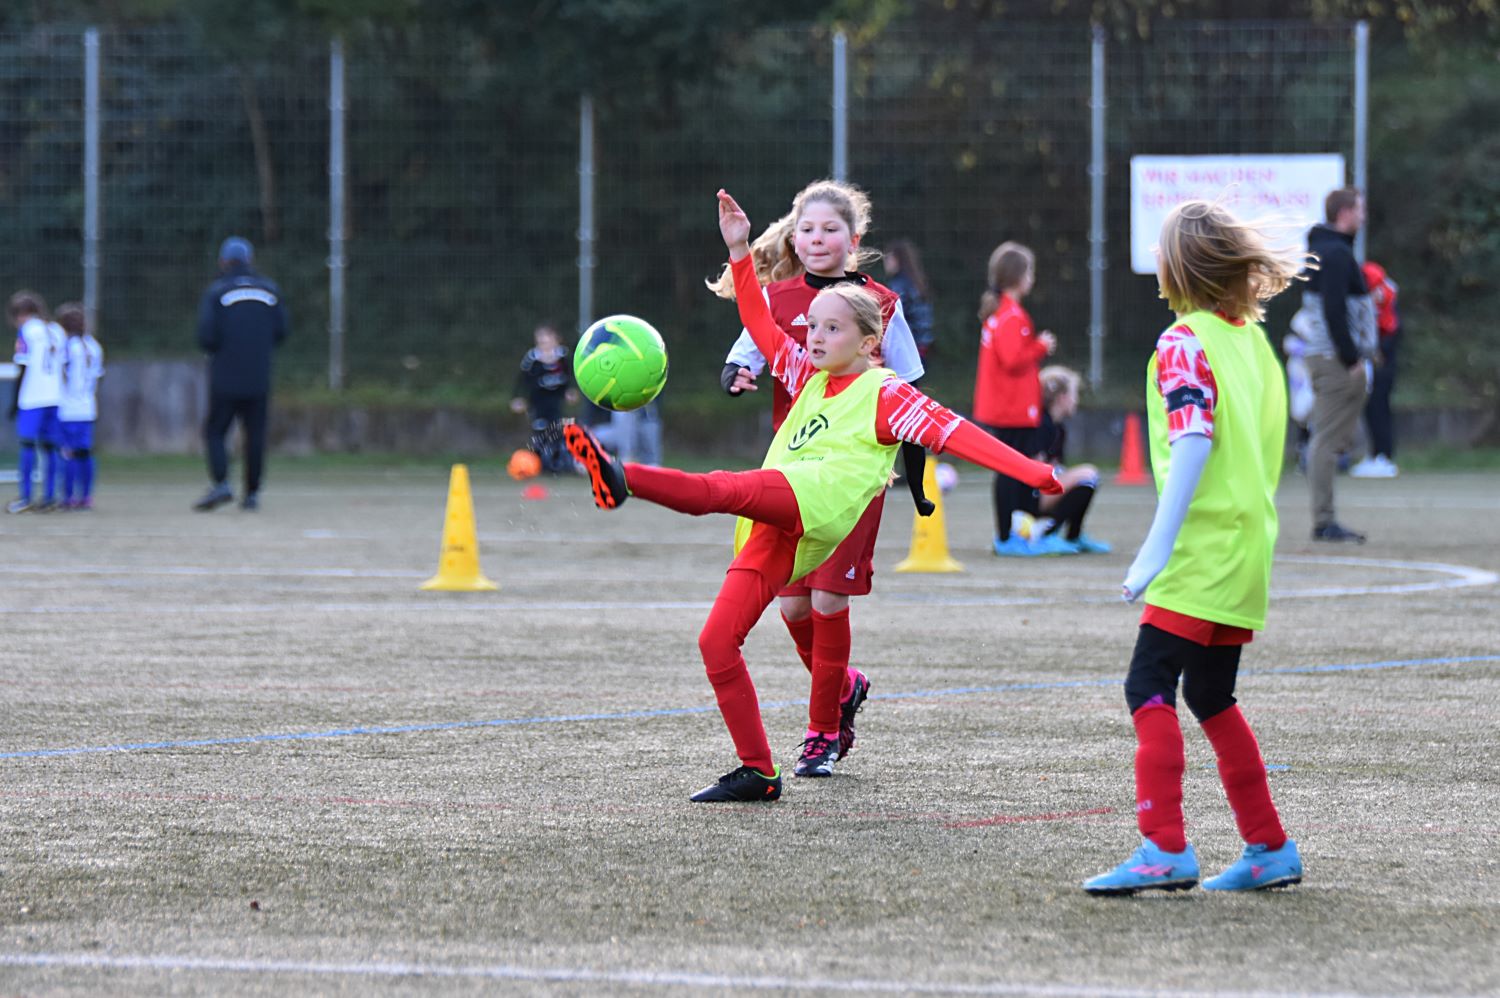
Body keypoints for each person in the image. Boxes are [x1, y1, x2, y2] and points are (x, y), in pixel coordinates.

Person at [563, 189, 1060, 803]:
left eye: (831, 328)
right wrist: (739, 248)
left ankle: (622, 478)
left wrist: (1033, 472)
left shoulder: (887, 392)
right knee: (716, 641)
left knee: (725, 488)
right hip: (783, 520)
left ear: (867, 341)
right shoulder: (806, 374)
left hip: (818, 504)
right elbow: (757, 320)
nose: (814, 336)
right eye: (813, 326)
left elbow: (958, 433)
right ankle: (758, 771)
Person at [1083, 198, 1304, 896]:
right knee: (1210, 692)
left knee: (1147, 684)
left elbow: (1193, 441)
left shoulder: (1183, 342)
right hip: (1247, 547)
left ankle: (1164, 847)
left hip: (1200, 550)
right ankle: (1269, 846)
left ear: (1177, 266)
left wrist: (1155, 548)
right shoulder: (1253, 343)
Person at [708, 179, 930, 777]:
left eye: (831, 229)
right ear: (794, 237)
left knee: (830, 597)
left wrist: (914, 473)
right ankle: (844, 687)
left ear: (853, 240)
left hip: (854, 475)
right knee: (793, 606)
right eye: (807, 229)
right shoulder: (777, 298)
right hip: (791, 473)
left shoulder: (881, 303)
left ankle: (822, 734)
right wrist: (736, 376)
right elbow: (745, 351)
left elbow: (910, 387)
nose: (817, 238)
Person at [1291, 188, 1376, 542]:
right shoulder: (1336, 253)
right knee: (1325, 440)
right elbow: (1334, 309)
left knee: (1329, 437)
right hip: (1334, 359)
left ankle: (1325, 519)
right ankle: (1324, 522)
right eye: (1360, 209)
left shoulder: (1325, 249)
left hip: (1329, 357)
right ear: (1344, 213)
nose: (1363, 216)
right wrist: (1351, 356)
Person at [972, 242, 1058, 555]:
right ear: (1018, 276)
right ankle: (1008, 536)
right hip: (1012, 408)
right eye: (1029, 271)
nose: (1032, 278)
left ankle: (1017, 534)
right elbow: (1012, 359)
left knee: (1016, 470)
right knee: (1012, 471)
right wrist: (1040, 346)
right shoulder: (1011, 316)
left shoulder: (1001, 312)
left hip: (1007, 406)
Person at [193, 236, 289, 512]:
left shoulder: (217, 292)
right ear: (250, 260)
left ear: (224, 261)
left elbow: (206, 337)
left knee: (215, 431)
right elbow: (282, 331)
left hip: (225, 377)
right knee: (255, 435)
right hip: (259, 376)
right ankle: (252, 493)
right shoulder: (270, 290)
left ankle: (221, 482)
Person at [1023, 365, 1110, 554]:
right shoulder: (1041, 425)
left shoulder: (1059, 428)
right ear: (1061, 397)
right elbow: (1034, 469)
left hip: (1043, 492)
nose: (1076, 400)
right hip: (1030, 497)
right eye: (1074, 394)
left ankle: (1074, 535)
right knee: (1088, 474)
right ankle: (1046, 534)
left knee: (1087, 478)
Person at [7, 290, 64, 514]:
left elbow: (23, 365)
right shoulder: (56, 330)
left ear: (21, 313)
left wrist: (14, 400)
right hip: (55, 397)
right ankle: (50, 497)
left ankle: (26, 497)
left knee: (28, 447)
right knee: (50, 448)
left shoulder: (28, 330)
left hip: (32, 398)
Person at [1349, 260, 1400, 478]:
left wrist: (1379, 352)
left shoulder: (1382, 301)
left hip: (1382, 363)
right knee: (1370, 408)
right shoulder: (1384, 295)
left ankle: (1383, 456)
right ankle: (1375, 454)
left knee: (1379, 408)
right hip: (1373, 359)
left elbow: (1391, 330)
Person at [54, 302, 104, 510]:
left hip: (66, 409)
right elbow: (97, 377)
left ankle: (68, 497)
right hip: (87, 407)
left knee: (68, 453)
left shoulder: (65, 346)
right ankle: (86, 496)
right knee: (85, 453)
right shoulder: (94, 346)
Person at [510, 323, 578, 473]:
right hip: (538, 403)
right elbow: (522, 380)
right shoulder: (532, 359)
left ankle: (561, 464)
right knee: (540, 433)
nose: (544, 344)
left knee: (559, 431)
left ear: (556, 340)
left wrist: (571, 391)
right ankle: (539, 464)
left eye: (547, 340)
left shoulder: (563, 357)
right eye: (540, 341)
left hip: (556, 403)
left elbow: (572, 376)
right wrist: (518, 398)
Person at [882, 239, 935, 360]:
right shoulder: (917, 283)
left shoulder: (899, 285)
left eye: (888, 258)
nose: (886, 263)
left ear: (898, 260)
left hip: (906, 347)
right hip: (922, 346)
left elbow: (892, 317)